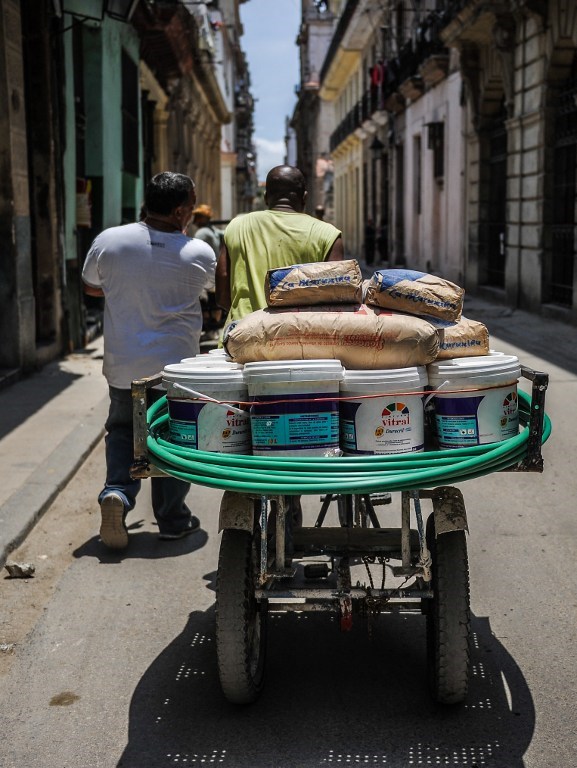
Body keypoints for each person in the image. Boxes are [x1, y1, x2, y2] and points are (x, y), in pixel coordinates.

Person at [82, 172, 216, 550]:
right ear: (179, 210)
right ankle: (172, 519)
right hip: (174, 370)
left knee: (123, 430)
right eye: (190, 205)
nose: (191, 212)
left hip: (124, 363)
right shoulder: (197, 252)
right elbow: (211, 290)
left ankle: (118, 494)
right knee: (173, 439)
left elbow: (91, 285)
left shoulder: (109, 240)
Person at [216, 164, 344, 323]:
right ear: (304, 197)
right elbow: (338, 299)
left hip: (240, 339)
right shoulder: (329, 235)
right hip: (301, 343)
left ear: (265, 197)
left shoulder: (236, 227)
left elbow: (222, 293)